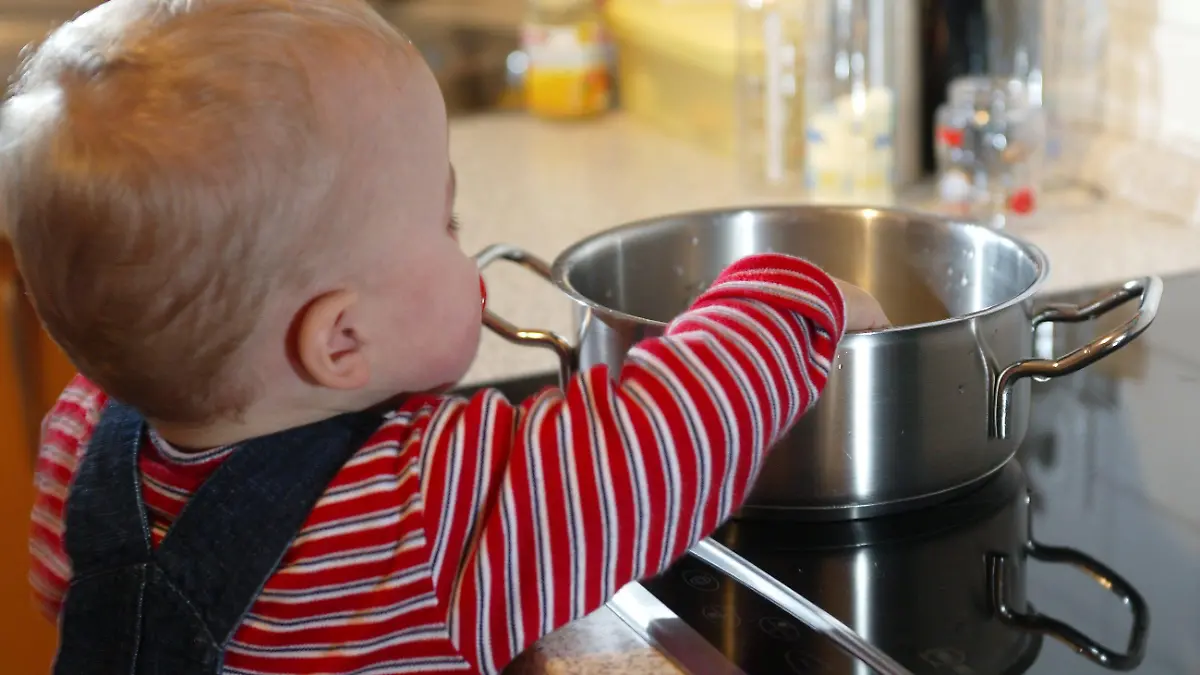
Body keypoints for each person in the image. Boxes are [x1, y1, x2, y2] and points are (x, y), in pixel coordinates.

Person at [2, 0, 890, 673]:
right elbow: (660, 439)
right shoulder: (429, 508)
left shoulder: (83, 440)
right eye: (447, 223)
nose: (466, 241)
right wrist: (781, 302)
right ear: (342, 341)